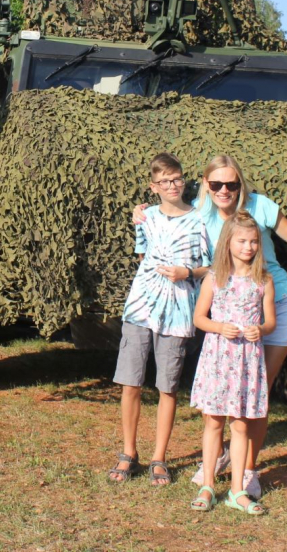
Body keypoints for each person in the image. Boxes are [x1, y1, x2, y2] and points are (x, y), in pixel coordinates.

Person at [108, 153, 210, 486]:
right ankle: (128, 453)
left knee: (168, 386)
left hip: (179, 313)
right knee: (131, 382)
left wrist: (188, 272)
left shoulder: (200, 220)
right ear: (154, 187)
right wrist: (139, 217)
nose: (172, 185)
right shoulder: (146, 217)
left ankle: (159, 458)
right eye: (164, 181)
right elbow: (141, 254)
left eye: (177, 179)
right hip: (140, 309)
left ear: (184, 181)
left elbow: (211, 265)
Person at [189, 211, 276, 514]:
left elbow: (271, 322)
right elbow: (199, 318)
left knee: (240, 425)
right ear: (228, 242)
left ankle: (237, 491)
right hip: (218, 358)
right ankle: (208, 485)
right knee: (214, 422)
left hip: (247, 361)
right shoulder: (215, 278)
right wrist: (219, 326)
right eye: (242, 241)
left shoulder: (263, 279)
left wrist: (260, 329)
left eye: (253, 241)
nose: (248, 247)